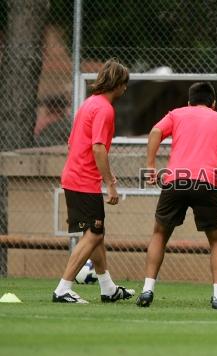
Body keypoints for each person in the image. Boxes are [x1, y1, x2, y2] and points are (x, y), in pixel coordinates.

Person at [136, 82, 217, 309]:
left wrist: (151, 166)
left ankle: (146, 291)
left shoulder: (177, 114)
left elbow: (155, 131)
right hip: (207, 183)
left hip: (176, 181)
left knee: (160, 234)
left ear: (189, 101)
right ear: (213, 103)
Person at [52, 58, 134, 304]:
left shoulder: (89, 104)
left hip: (74, 176)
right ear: (117, 84)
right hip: (83, 180)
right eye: (125, 84)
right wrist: (109, 183)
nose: (126, 89)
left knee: (95, 233)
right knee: (94, 233)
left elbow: (72, 142)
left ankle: (107, 288)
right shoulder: (105, 109)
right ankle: (63, 289)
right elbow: (98, 147)